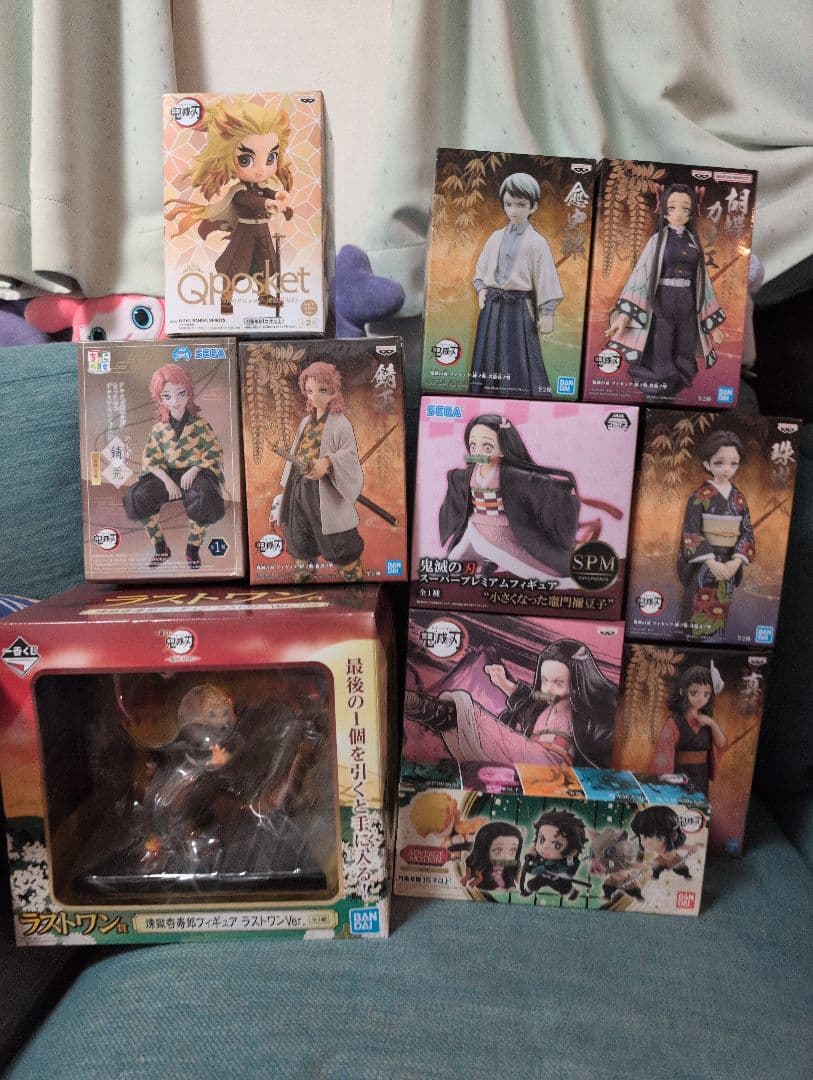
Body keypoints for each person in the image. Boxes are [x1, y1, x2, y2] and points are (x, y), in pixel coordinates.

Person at [404, 637, 617, 769]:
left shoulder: (585, 714)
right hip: (531, 758)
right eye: (544, 680)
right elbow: (530, 700)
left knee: (492, 729)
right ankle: (436, 714)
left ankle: (439, 712)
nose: (548, 689)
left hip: (552, 766)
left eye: (559, 683)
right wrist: (503, 683)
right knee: (498, 738)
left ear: (577, 684)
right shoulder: (544, 704)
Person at [166, 98, 293, 314]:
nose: (261, 169)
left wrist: (276, 195)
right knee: (236, 267)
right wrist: (268, 202)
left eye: (270, 158)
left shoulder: (262, 187)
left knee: (264, 264)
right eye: (246, 160)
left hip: (262, 231)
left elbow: (265, 193)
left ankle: (264, 294)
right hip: (245, 234)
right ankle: (226, 299)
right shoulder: (238, 191)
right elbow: (249, 200)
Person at [605, 183, 725, 395]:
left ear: (692, 211)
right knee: (661, 339)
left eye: (685, 208)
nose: (678, 214)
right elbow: (640, 276)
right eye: (672, 207)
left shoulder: (693, 242)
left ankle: (681, 378)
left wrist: (712, 325)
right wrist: (625, 315)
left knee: (686, 341)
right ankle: (659, 379)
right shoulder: (657, 241)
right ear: (663, 209)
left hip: (688, 300)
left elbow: (703, 283)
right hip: (663, 299)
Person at [439, 413, 579, 580]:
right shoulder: (469, 474)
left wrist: (560, 491)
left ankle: (491, 560)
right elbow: (458, 485)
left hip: (503, 528)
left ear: (504, 447)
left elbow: (536, 482)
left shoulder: (510, 475)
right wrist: (453, 477)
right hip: (474, 525)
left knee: (540, 572)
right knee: (453, 561)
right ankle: (487, 561)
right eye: (473, 446)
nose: (478, 452)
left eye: (487, 447)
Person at [469, 172, 563, 396]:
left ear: (533, 207)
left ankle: (521, 397)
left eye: (521, 205)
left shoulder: (537, 243)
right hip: (492, 305)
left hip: (518, 308)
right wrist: (481, 288)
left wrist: (547, 312)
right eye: (508, 204)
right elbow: (482, 266)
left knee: (518, 354)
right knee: (488, 352)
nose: (513, 210)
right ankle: (485, 396)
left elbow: (546, 277)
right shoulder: (495, 236)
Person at [122, 364, 226, 570]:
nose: (175, 401)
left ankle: (193, 548)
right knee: (138, 496)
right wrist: (168, 481)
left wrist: (195, 469)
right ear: (160, 399)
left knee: (204, 498)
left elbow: (214, 450)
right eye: (167, 396)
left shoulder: (200, 425)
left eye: (181, 393)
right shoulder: (158, 429)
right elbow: (151, 459)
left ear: (189, 393)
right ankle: (160, 547)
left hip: (196, 475)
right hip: (166, 475)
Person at [272, 361, 364, 582]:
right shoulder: (306, 422)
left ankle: (354, 578)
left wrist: (328, 462)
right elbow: (296, 452)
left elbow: (350, 455)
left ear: (334, 391)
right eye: (310, 390)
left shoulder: (340, 423)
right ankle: (304, 576)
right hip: (299, 485)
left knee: (338, 540)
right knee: (299, 534)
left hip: (324, 489)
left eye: (322, 390)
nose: (315, 396)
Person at [677, 430, 755, 638]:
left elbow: (747, 532)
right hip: (704, 565)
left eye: (733, 463)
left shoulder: (739, 499)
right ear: (707, 464)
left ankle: (714, 644)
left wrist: (736, 562)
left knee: (719, 613)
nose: (727, 469)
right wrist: (711, 562)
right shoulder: (699, 496)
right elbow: (691, 532)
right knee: (698, 610)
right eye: (719, 463)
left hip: (729, 565)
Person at [649, 663, 727, 794]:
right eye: (694, 692)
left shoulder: (707, 721)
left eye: (706, 694)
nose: (700, 698)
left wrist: (712, 724)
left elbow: (721, 744)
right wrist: (664, 782)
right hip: (680, 773)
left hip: (701, 772)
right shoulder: (674, 722)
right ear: (682, 691)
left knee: (700, 800)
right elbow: (664, 753)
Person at [519, 809, 587, 900]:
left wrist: (561, 873)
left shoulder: (568, 861)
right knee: (533, 883)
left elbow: (570, 870)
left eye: (557, 845)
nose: (545, 847)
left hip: (558, 880)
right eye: (542, 840)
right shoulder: (539, 857)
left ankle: (572, 892)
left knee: (564, 887)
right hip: (543, 876)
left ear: (572, 851)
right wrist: (530, 857)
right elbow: (532, 868)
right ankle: (527, 890)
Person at [462, 821, 524, 892]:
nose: (506, 857)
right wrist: (496, 888)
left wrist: (511, 886)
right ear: (484, 849)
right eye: (497, 850)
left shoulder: (507, 868)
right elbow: (485, 880)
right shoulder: (483, 869)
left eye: (513, 850)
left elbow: (510, 879)